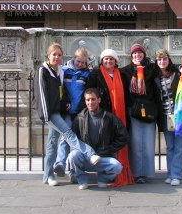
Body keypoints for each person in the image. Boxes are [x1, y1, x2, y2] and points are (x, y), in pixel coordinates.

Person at [33, 43, 100, 186]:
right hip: (51, 113)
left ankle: (48, 175)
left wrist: (65, 102)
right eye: (54, 54)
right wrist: (45, 115)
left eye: (59, 55)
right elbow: (40, 94)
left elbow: (61, 92)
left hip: (61, 110)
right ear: (48, 56)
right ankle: (90, 154)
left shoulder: (60, 72)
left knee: (52, 143)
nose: (56, 57)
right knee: (68, 135)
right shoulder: (43, 71)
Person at [86, 49, 134, 186]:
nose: (109, 61)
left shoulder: (122, 75)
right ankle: (104, 176)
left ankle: (117, 173)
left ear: (116, 61)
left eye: (111, 59)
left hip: (119, 116)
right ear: (102, 60)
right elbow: (90, 93)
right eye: (106, 59)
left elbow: (127, 95)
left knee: (117, 143)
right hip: (103, 116)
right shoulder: (95, 75)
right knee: (104, 144)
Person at [67, 88, 129, 190]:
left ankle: (103, 179)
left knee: (117, 166)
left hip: (102, 157)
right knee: (73, 155)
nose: (90, 102)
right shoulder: (79, 118)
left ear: (99, 100)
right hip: (85, 157)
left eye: (93, 99)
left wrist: (108, 149)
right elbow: (73, 139)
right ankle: (82, 179)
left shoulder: (109, 118)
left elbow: (124, 136)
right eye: (88, 100)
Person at [155, 49, 182, 186]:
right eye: (159, 60)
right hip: (165, 116)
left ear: (169, 60)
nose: (162, 62)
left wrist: (181, 68)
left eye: (165, 59)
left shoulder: (178, 74)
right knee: (170, 147)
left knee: (179, 146)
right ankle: (170, 173)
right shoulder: (155, 76)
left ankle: (176, 175)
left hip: (179, 115)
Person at [121, 43, 160, 184]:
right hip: (133, 110)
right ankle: (136, 173)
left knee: (149, 143)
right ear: (131, 55)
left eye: (140, 53)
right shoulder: (125, 71)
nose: (137, 55)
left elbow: (166, 69)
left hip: (149, 110)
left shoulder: (152, 69)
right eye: (135, 53)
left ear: (144, 54)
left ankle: (147, 172)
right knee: (136, 142)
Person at [53, 47, 91, 177]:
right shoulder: (63, 71)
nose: (80, 64)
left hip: (80, 112)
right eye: (78, 61)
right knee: (66, 136)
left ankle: (75, 170)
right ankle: (60, 164)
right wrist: (65, 101)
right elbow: (60, 89)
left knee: (79, 139)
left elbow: (88, 91)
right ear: (73, 58)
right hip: (67, 111)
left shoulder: (86, 74)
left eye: (83, 63)